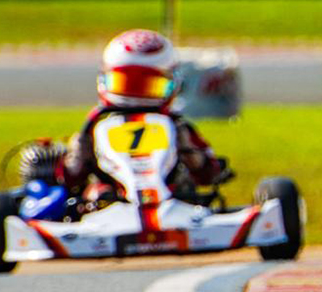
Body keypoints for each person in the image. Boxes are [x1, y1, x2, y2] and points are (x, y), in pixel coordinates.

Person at [58, 29, 221, 196]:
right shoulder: (96, 124)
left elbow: (211, 173)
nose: (135, 97)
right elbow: (70, 180)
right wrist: (78, 157)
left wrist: (190, 154)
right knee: (95, 192)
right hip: (110, 201)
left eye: (148, 85)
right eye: (126, 83)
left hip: (170, 198)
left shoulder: (176, 126)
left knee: (184, 187)